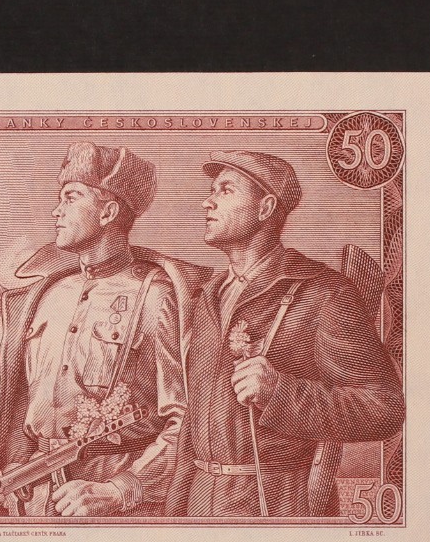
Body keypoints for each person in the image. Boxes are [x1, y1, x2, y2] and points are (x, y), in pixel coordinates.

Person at [0, 143, 206, 518]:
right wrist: (1, 476)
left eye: (71, 198)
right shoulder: (44, 296)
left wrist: (122, 490)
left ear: (108, 212)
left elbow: (186, 418)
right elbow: (19, 409)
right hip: (30, 500)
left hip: (111, 507)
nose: (57, 211)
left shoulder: (155, 297)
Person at [169, 151, 404, 518]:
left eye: (225, 190)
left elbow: (384, 408)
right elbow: (193, 424)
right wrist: (175, 510)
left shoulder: (324, 292)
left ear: (265, 207)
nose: (207, 202)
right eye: (212, 190)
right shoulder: (208, 297)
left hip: (279, 503)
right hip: (197, 504)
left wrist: (280, 392)